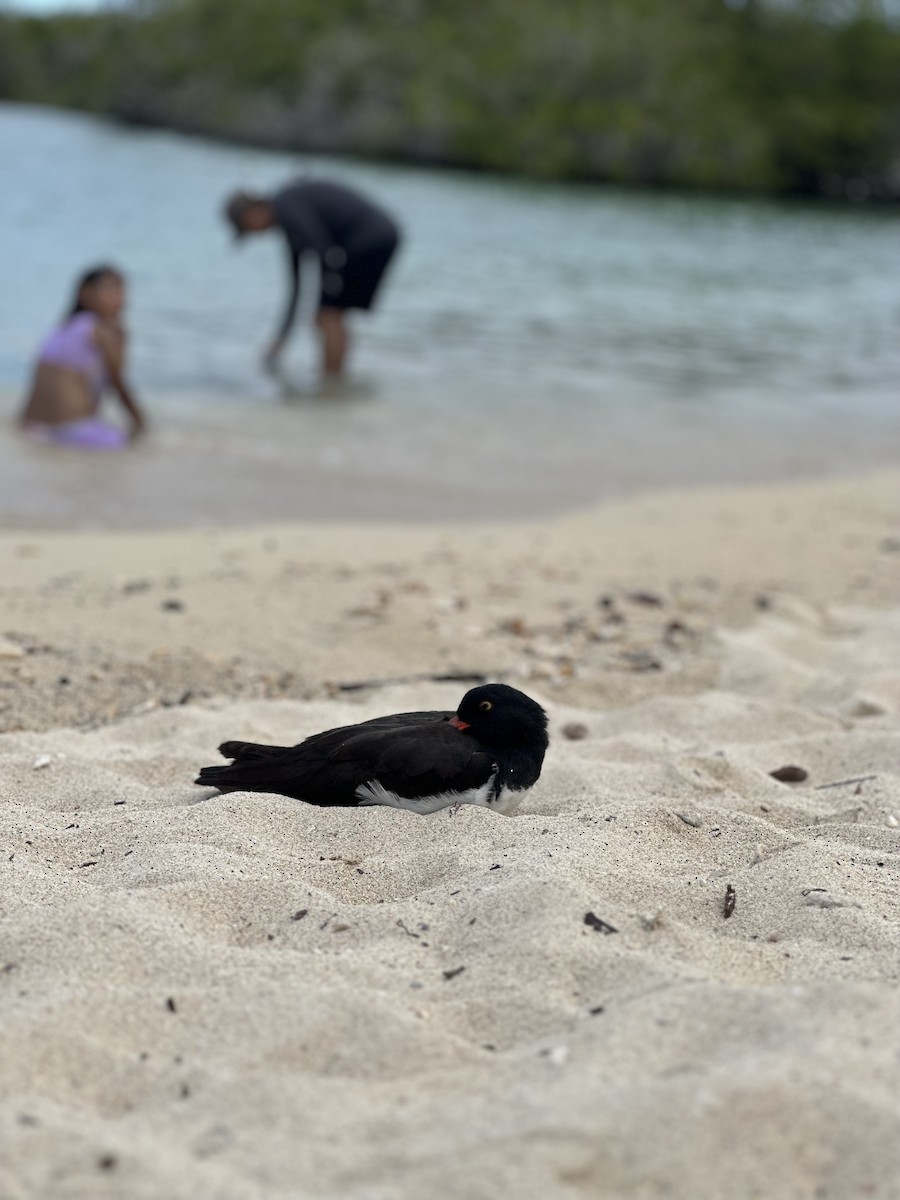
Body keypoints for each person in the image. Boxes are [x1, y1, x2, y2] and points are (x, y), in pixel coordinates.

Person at [224, 178, 400, 379]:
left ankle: (331, 381)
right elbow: (297, 286)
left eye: (246, 228)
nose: (254, 234)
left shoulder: (287, 207)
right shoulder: (288, 216)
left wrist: (323, 304)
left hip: (370, 239)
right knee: (329, 315)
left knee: (327, 316)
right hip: (376, 237)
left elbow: (323, 251)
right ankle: (334, 381)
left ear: (252, 212)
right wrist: (282, 337)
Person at [19, 265, 146, 449]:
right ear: (86, 293)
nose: (119, 298)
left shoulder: (62, 328)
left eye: (121, 291)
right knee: (132, 447)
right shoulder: (106, 331)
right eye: (110, 290)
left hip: (31, 427)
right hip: (72, 432)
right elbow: (117, 384)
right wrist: (141, 424)